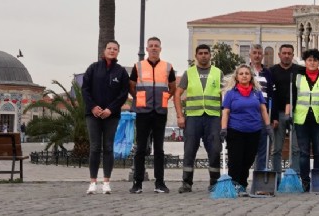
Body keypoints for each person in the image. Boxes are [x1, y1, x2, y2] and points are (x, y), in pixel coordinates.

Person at [81, 40, 130, 195]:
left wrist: (110, 109)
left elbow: (123, 94)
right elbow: (85, 89)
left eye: (115, 49)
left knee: (108, 147)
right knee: (95, 148)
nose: (112, 51)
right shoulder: (93, 68)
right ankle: (93, 182)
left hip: (112, 115)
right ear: (104, 50)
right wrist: (93, 107)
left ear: (118, 52)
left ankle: (106, 182)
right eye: (109, 48)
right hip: (93, 114)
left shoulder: (121, 71)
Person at [129, 37, 176, 194]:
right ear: (147, 49)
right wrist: (140, 98)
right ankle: (138, 183)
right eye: (151, 46)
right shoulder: (138, 66)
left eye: (156, 46)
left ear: (160, 49)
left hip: (160, 112)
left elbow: (172, 87)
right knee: (140, 148)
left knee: (159, 149)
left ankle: (160, 183)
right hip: (143, 111)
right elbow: (132, 86)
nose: (154, 48)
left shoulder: (168, 67)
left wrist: (163, 98)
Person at [174, 44, 222, 193]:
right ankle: (186, 183)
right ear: (196, 56)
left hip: (213, 117)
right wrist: (180, 116)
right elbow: (177, 95)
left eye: (206, 53)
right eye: (200, 53)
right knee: (189, 150)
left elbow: (224, 95)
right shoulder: (189, 73)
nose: (203, 56)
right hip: (193, 118)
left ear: (210, 55)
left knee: (214, 150)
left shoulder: (218, 72)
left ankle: (214, 182)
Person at [221, 64, 271, 193]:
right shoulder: (231, 93)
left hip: (254, 130)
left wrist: (268, 125)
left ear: (251, 77)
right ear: (237, 77)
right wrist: (223, 128)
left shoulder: (257, 93)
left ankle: (242, 183)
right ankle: (234, 183)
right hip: (235, 130)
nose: (244, 76)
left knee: (248, 159)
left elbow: (263, 109)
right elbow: (226, 112)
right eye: (241, 73)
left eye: (247, 73)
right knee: (236, 159)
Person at [291, 49, 319, 192]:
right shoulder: (297, 79)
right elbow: (291, 98)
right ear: (305, 62)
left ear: (318, 62)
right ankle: (305, 180)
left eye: (315, 60)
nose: (312, 63)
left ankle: (317, 179)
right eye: (309, 60)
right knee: (303, 152)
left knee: (318, 151)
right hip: (301, 120)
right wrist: (288, 115)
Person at [268, 44, 303, 182]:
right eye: (284, 53)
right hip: (278, 113)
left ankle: (294, 177)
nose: (287, 55)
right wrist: (273, 116)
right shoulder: (272, 71)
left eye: (289, 53)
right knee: (276, 149)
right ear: (279, 54)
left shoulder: (300, 71)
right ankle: (276, 178)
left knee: (295, 148)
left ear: (293, 55)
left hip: (295, 114)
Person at [248, 44, 273, 171]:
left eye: (259, 53)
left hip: (263, 115)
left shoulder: (268, 73)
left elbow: (272, 94)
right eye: (255, 53)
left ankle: (260, 176)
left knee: (263, 148)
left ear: (262, 55)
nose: (257, 55)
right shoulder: (244, 71)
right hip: (246, 115)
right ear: (250, 55)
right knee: (247, 148)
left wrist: (271, 117)